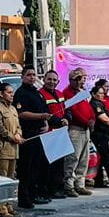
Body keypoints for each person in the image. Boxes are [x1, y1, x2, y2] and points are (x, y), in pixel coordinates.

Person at [13, 67, 53, 209]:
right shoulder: (21, 93)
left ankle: (33, 194)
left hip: (39, 133)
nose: (32, 77)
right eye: (29, 75)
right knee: (26, 168)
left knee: (36, 166)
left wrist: (45, 122)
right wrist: (41, 117)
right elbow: (21, 113)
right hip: (27, 133)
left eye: (34, 75)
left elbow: (45, 110)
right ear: (22, 77)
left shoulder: (37, 93)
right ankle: (24, 198)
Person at [0, 82, 22, 217]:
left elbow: (18, 125)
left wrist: (18, 134)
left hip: (14, 148)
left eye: (12, 92)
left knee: (11, 178)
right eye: (9, 92)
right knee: (2, 178)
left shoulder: (13, 109)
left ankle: (9, 205)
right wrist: (13, 137)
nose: (12, 95)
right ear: (1, 94)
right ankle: (1, 208)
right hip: (2, 148)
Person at [37, 68, 71, 198]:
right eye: (49, 79)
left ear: (58, 81)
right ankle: (48, 190)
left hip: (61, 132)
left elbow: (66, 109)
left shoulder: (60, 93)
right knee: (48, 164)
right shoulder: (41, 94)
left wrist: (67, 118)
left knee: (60, 163)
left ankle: (58, 188)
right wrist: (59, 121)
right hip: (49, 133)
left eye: (54, 80)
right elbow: (45, 112)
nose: (51, 82)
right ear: (44, 80)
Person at [62, 69, 95, 197]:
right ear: (74, 80)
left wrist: (92, 119)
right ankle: (69, 185)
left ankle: (80, 184)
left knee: (84, 158)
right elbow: (73, 110)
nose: (83, 82)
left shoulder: (83, 92)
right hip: (75, 128)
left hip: (85, 129)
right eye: (81, 79)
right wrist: (87, 121)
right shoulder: (68, 93)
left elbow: (89, 109)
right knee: (73, 158)